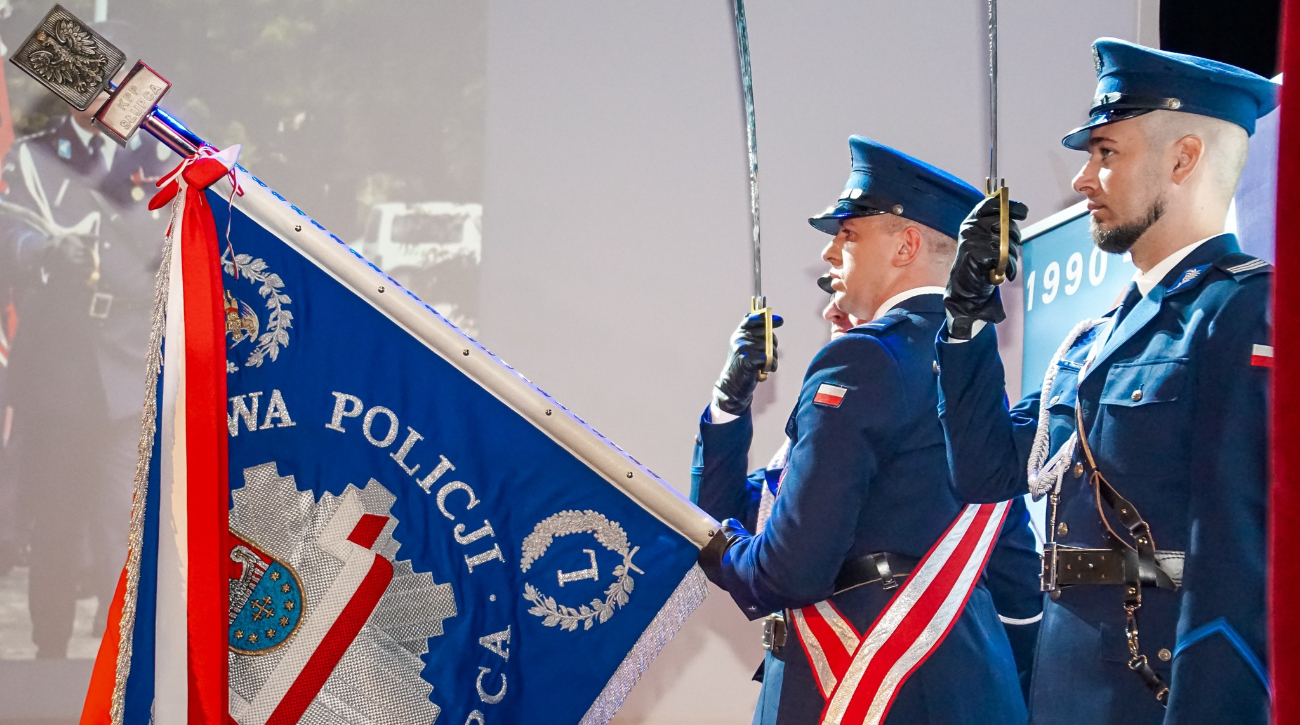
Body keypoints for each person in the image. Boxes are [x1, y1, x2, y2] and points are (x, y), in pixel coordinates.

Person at [937, 38, 1276, 724]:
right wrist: (967, 320)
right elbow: (984, 471)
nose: (1084, 178)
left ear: (1183, 158)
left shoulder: (1242, 313)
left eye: (1107, 153)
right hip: (1067, 689)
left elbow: (1237, 561)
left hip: (1162, 691)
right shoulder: (1093, 341)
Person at [697, 136, 1027, 725]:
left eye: (848, 234)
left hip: (860, 680)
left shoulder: (863, 359)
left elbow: (790, 568)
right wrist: (730, 405)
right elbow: (1018, 583)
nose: (829, 253)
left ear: (905, 245)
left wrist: (720, 555)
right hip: (967, 682)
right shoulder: (977, 377)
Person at [691, 283, 1043, 710]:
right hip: (900, 683)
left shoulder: (902, 401)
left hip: (884, 687)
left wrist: (727, 555)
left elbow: (1017, 588)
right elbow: (722, 518)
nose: (831, 312)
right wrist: (729, 404)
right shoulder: (976, 431)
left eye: (846, 295)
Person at [0, 74, 173, 657]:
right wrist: (40, 250)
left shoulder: (156, 155)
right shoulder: (34, 157)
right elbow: (7, 229)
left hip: (131, 362)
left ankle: (120, 660)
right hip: (59, 364)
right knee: (56, 520)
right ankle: (49, 657)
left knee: (123, 520)